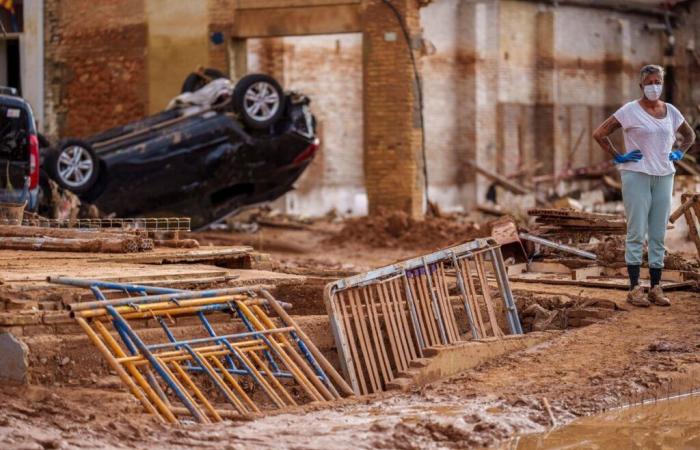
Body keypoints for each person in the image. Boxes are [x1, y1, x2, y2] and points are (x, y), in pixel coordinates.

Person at [593, 64, 696, 307]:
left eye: (657, 82)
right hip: (636, 174)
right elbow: (600, 133)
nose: (654, 86)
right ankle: (634, 287)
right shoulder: (630, 110)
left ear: (662, 83)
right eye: (649, 82)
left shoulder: (670, 111)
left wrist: (680, 152)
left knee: (659, 232)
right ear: (641, 85)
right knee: (637, 230)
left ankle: (656, 288)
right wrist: (618, 155)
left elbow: (690, 135)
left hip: (664, 175)